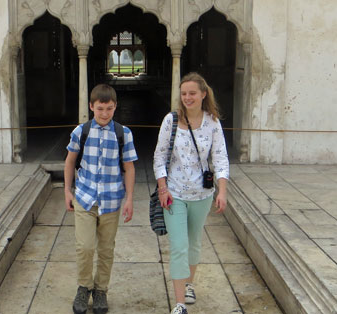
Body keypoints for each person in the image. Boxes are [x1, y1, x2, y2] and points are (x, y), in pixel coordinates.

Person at [153, 72, 229, 314]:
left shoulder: (213, 123)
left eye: (192, 93)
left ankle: (188, 284)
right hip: (174, 194)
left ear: (203, 94)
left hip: (202, 194)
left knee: (194, 243)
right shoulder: (171, 121)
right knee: (179, 245)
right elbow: (159, 156)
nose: (187, 97)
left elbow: (220, 157)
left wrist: (222, 190)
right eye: (184, 93)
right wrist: (162, 187)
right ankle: (179, 304)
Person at [64, 84, 138, 314]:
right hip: (85, 198)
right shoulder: (81, 132)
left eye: (109, 108)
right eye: (100, 108)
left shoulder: (123, 133)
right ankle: (84, 287)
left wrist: (130, 198)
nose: (104, 113)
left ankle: (101, 290)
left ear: (115, 107)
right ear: (91, 107)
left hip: (111, 200)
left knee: (106, 249)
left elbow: (129, 167)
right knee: (84, 247)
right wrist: (67, 190)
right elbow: (69, 161)